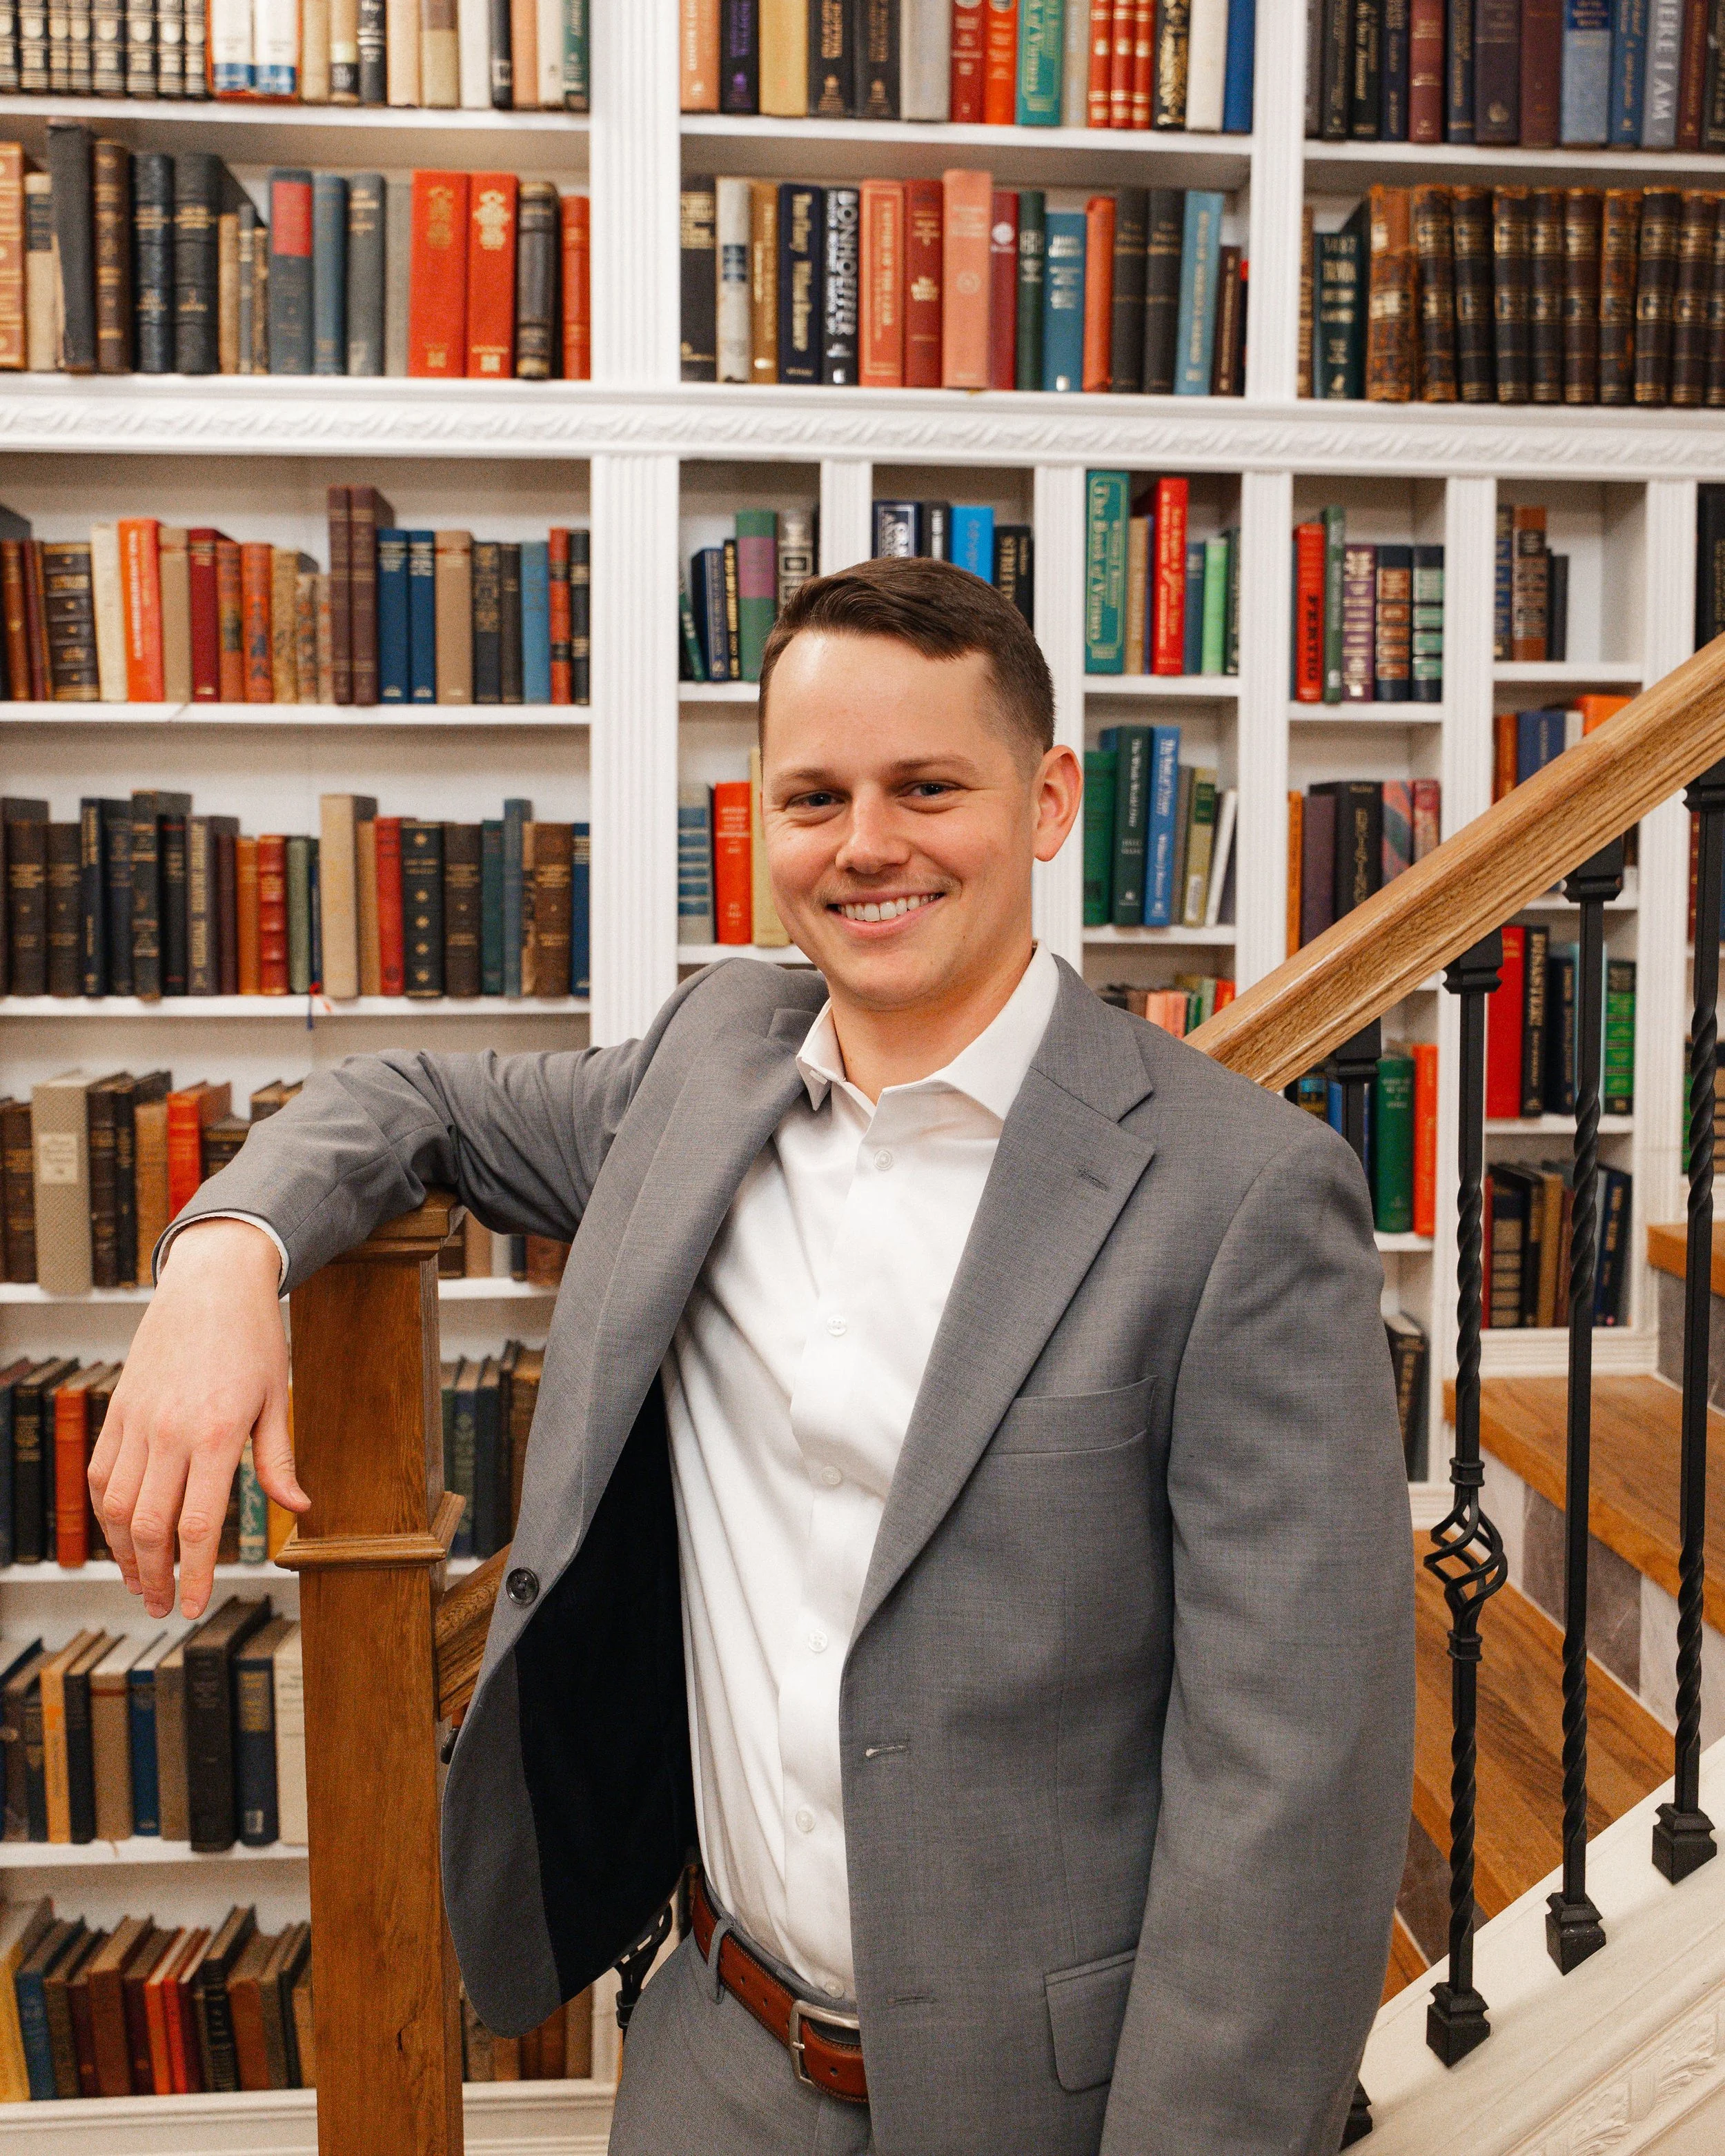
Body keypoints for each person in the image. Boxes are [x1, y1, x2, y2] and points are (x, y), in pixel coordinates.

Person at [91, 556, 1414, 2155]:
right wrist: (226, 1253)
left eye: (927, 785)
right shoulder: (706, 1066)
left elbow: (1293, 1788)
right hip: (713, 2059)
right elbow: (409, 1095)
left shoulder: (1241, 1195)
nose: (865, 844)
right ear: (760, 817)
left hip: (1048, 2102)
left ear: (1050, 798)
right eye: (813, 796)